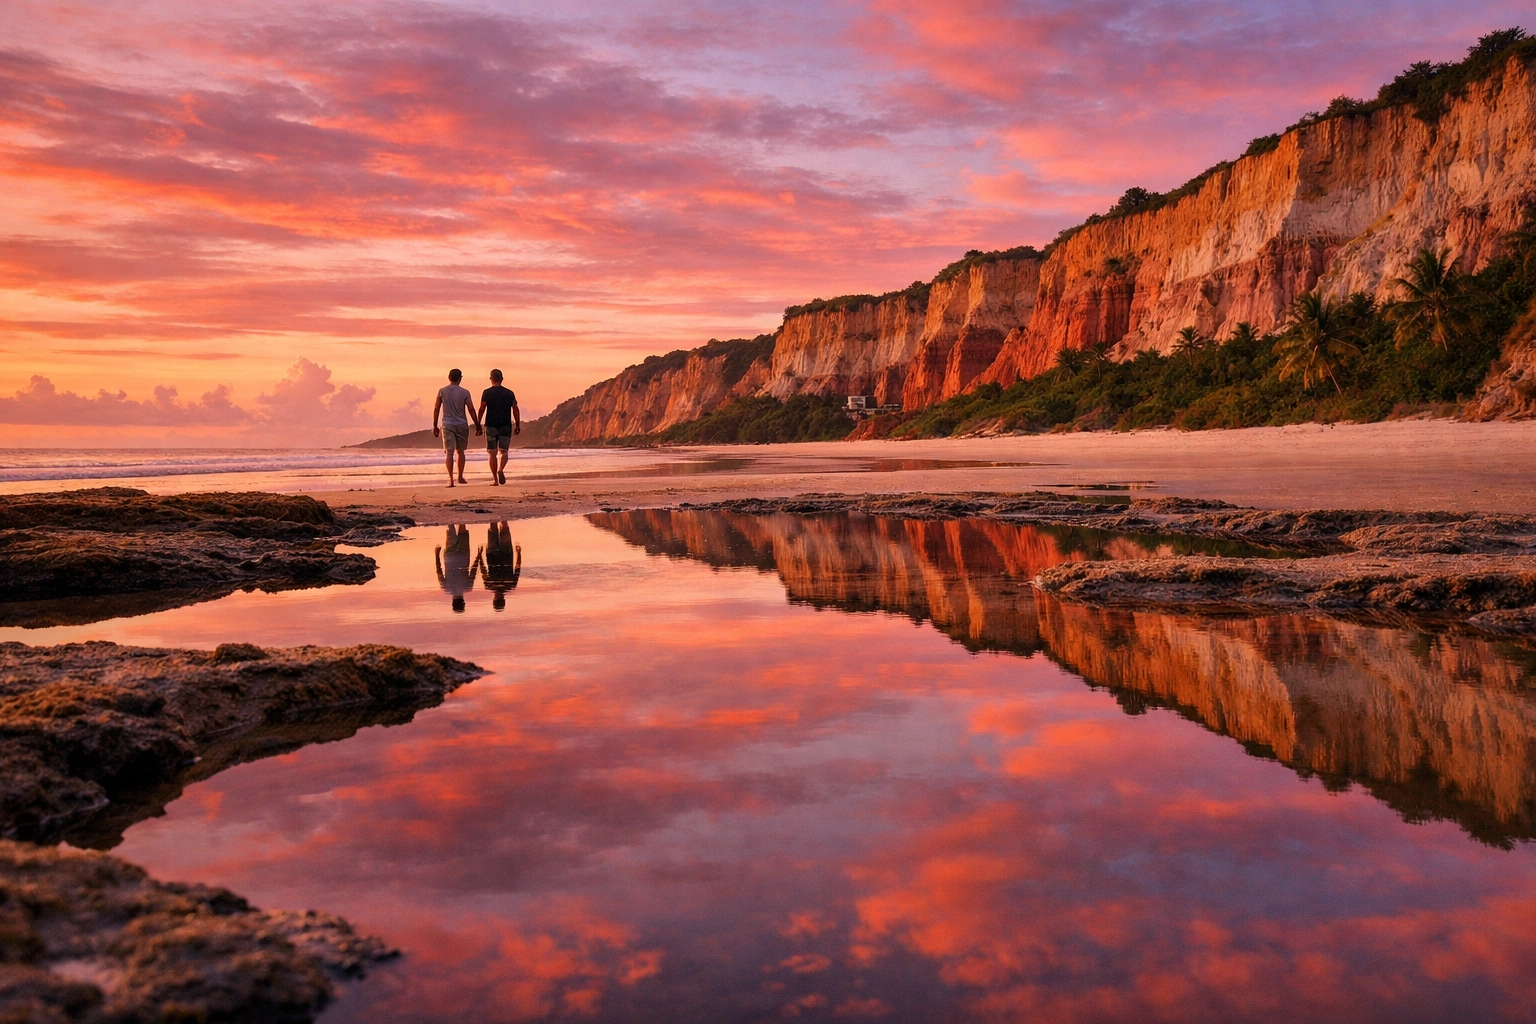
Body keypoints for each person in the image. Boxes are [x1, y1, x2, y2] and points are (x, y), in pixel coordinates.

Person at [432, 369, 481, 487]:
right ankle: (460, 477)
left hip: (447, 424)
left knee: (449, 452)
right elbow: (471, 409)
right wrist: (477, 424)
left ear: (449, 377)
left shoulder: (442, 391)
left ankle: (451, 479)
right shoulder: (465, 392)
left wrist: (434, 425)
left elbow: (436, 408)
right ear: (460, 378)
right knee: (461, 452)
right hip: (462, 424)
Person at [477, 369, 521, 485]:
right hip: (505, 425)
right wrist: (517, 424)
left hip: (490, 425)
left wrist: (478, 423)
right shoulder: (509, 393)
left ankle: (495, 480)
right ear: (502, 379)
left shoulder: (486, 393)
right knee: (504, 452)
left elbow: (482, 408)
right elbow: (515, 408)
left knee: (492, 453)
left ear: (490, 379)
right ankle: (500, 470)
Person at [474, 521, 522, 611]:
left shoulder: (510, 585)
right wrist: (480, 555)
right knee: (493, 530)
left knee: (504, 530)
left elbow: (518, 568)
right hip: (492, 555)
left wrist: (519, 553)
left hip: (506, 554)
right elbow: (483, 569)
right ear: (494, 600)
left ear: (503, 600)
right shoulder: (489, 586)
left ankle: (502, 514)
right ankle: (495, 514)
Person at [434, 524, 477, 613]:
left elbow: (473, 571)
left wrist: (479, 556)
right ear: (452, 602)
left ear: (463, 602)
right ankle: (450, 519)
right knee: (451, 531)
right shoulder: (446, 588)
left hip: (463, 557)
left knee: (462, 533)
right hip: (449, 558)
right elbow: (439, 571)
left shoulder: (468, 587)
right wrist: (437, 554)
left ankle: (461, 516)